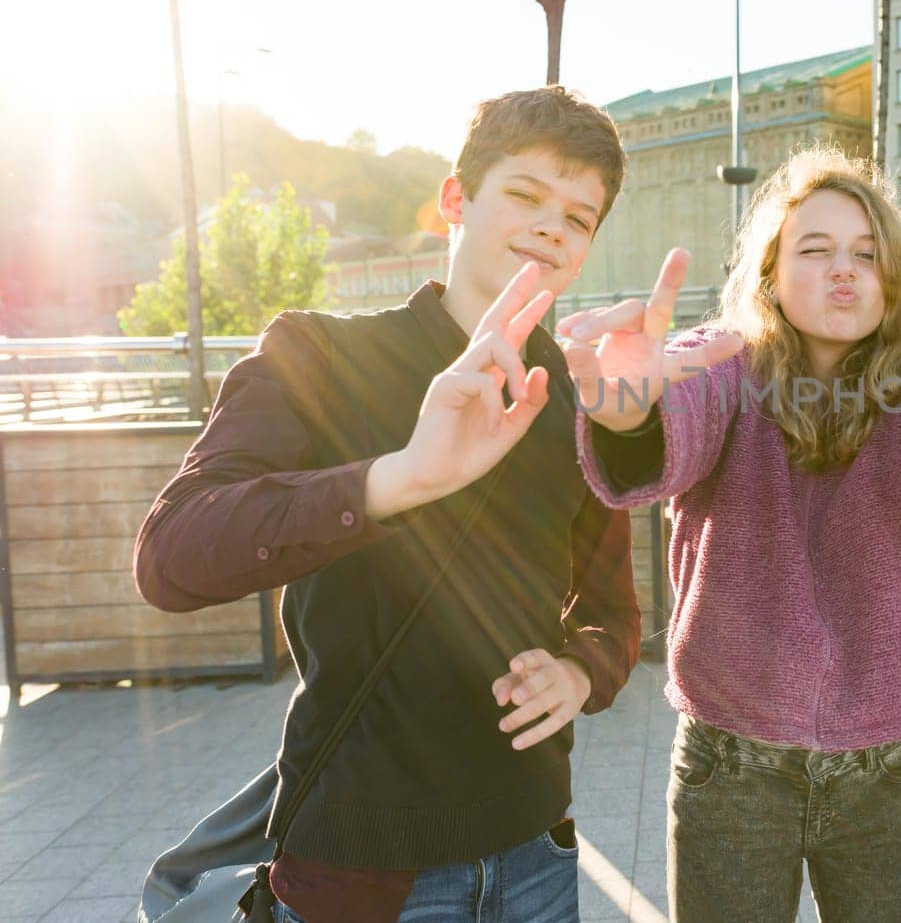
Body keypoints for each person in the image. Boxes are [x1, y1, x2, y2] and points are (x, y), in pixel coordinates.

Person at [132, 87, 642, 923]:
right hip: (357, 869)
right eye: (525, 194)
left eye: (579, 217)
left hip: (535, 853)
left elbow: (616, 612)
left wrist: (580, 673)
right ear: (455, 199)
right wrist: (401, 477)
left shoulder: (577, 398)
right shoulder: (318, 355)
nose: (553, 225)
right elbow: (171, 555)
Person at [557, 146, 901, 922]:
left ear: (892, 281)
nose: (845, 270)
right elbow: (673, 415)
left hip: (887, 769)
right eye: (816, 250)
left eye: (867, 254)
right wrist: (627, 412)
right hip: (729, 761)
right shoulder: (719, 367)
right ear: (771, 272)